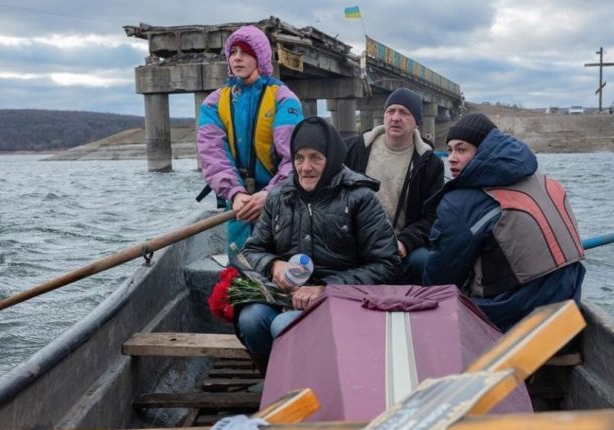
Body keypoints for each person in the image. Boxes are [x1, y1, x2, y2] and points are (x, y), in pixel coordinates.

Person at [239, 116, 401, 370]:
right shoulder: (279, 197)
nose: (305, 167)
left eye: (316, 157)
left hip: (343, 301)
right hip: (288, 297)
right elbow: (252, 249)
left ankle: (314, 383)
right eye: (299, 158)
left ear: (332, 159)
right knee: (251, 319)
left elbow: (387, 264)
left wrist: (325, 288)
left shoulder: (360, 198)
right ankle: (275, 377)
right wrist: (274, 265)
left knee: (286, 326)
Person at [423, 113, 586, 332]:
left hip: (519, 310)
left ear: (483, 151)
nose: (451, 157)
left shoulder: (461, 203)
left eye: (462, 150)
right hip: (570, 297)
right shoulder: (539, 177)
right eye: (450, 149)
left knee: (421, 269)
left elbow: (440, 278)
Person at [197, 25, 303, 263]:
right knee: (240, 268)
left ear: (260, 57)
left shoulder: (284, 99)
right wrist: (235, 194)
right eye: (233, 52)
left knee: (280, 269)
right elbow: (213, 155)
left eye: (245, 52)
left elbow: (295, 159)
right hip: (238, 204)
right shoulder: (213, 104)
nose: (237, 58)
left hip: (279, 201)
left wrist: (270, 195)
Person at [344, 88, 444, 284]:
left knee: (424, 260)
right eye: (391, 111)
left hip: (399, 245)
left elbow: (432, 216)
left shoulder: (430, 164)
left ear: (416, 122)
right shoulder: (356, 149)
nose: (395, 118)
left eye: (404, 113)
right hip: (355, 242)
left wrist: (405, 242)